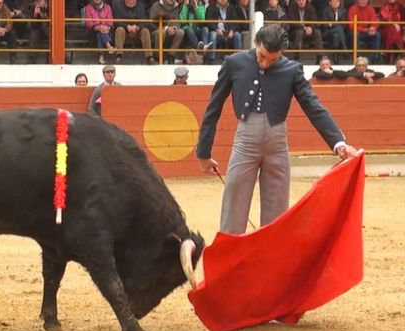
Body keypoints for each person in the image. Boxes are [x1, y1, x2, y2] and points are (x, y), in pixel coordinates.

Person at [196, 24, 358, 234]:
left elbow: (313, 106)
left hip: (277, 145)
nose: (265, 63)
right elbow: (213, 108)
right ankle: (231, 264)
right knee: (233, 209)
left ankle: (271, 265)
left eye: (273, 60)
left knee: (277, 215)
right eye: (262, 56)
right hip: (244, 142)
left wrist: (339, 143)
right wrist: (203, 153)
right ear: (256, 44)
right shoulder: (234, 63)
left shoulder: (292, 69)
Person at [112, 0, 156, 65]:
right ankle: (118, 57)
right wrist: (127, 26)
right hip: (124, 29)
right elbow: (116, 21)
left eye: (133, 0)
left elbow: (144, 21)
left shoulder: (141, 6)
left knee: (145, 30)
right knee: (119, 29)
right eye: (129, 0)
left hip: (137, 30)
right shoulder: (117, 6)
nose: (131, 1)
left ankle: (149, 57)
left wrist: (138, 27)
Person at [150, 0, 185, 65]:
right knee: (161, 33)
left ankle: (171, 56)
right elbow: (152, 23)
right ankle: (158, 57)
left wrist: (174, 28)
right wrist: (166, 29)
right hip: (156, 30)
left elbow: (178, 22)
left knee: (180, 32)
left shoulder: (177, 7)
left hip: (171, 29)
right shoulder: (156, 6)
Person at [84, 0, 114, 65]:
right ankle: (108, 46)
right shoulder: (88, 7)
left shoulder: (107, 7)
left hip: (106, 31)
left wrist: (107, 27)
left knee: (100, 33)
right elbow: (88, 23)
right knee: (99, 32)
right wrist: (98, 27)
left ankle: (101, 56)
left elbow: (110, 20)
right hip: (92, 32)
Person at [321, 0, 347, 64]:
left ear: (340, 3)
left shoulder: (343, 11)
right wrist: (337, 24)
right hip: (328, 32)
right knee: (339, 29)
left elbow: (344, 24)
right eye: (333, 1)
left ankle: (336, 56)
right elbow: (325, 24)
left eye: (337, 1)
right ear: (330, 3)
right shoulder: (325, 11)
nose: (335, 3)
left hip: (338, 33)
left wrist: (333, 24)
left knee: (336, 35)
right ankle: (343, 46)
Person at [379, 0, 405, 64]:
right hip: (386, 29)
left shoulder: (400, 6)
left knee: (394, 33)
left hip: (399, 30)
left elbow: (403, 20)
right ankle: (401, 52)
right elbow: (384, 21)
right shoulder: (384, 7)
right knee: (392, 30)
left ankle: (390, 58)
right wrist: (393, 24)